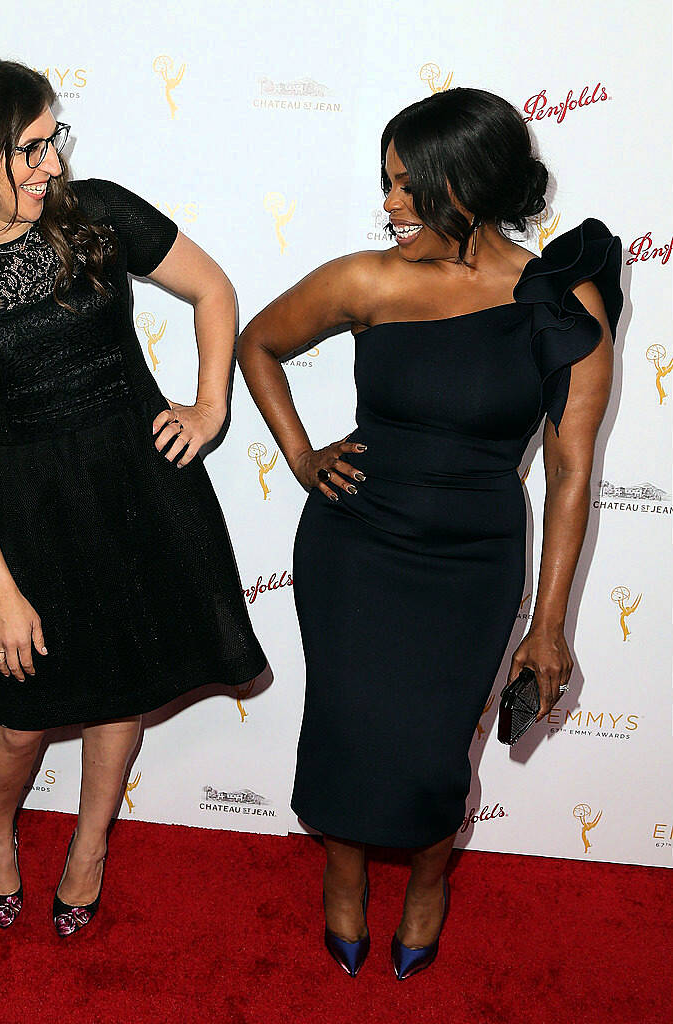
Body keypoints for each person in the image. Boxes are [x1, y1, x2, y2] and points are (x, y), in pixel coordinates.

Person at [237, 87, 621, 979]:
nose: (391, 205)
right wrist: (300, 457)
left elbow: (570, 474)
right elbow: (258, 343)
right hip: (355, 543)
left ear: (469, 186)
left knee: (440, 738)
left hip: (473, 557)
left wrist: (551, 623)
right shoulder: (370, 280)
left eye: (411, 188)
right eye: (389, 185)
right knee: (347, 719)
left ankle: (425, 883)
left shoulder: (562, 301)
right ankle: (340, 871)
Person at [0, 52, 266, 936]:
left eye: (52, 140)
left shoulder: (97, 217)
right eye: (29, 148)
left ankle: (90, 844)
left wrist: (209, 404)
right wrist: (1, 590)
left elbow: (214, 289)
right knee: (20, 718)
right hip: (25, 513)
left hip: (139, 483)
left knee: (121, 688)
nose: (52, 163)